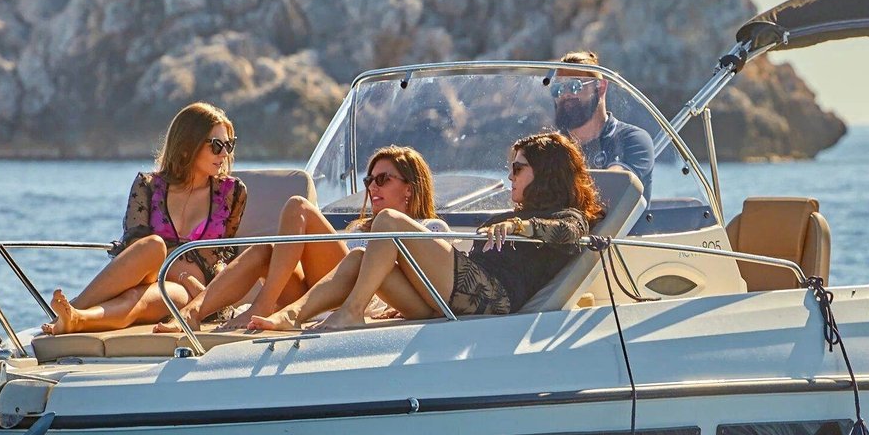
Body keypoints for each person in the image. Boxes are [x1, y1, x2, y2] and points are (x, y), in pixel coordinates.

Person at [248, 130, 603, 331]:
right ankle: (291, 315)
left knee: (387, 222)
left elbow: (570, 232)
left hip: (490, 299)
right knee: (359, 256)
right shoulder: (521, 214)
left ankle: (351, 312)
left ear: (545, 172)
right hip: (455, 297)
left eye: (518, 169)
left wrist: (521, 225)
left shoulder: (566, 215)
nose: (509, 176)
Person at [162, 145, 446, 330]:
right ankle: (192, 314)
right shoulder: (359, 230)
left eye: (383, 179)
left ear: (409, 188)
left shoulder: (431, 228)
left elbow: (436, 295)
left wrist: (398, 307)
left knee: (299, 206)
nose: (372, 187)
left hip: (360, 300)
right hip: (324, 294)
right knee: (266, 251)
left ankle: (263, 306)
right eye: (369, 180)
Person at [42, 103, 246, 334]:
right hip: (149, 272)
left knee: (136, 298)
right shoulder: (148, 185)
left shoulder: (231, 192)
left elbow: (224, 252)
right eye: (216, 145)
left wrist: (204, 290)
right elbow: (132, 247)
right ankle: (75, 309)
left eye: (229, 145)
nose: (224, 154)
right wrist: (179, 271)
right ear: (188, 145)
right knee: (151, 245)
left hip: (191, 290)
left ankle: (76, 317)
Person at [552, 49, 654, 201]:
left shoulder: (633, 140)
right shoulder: (552, 147)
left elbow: (613, 186)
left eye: (575, 86)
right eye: (558, 89)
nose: (565, 94)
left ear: (600, 88)